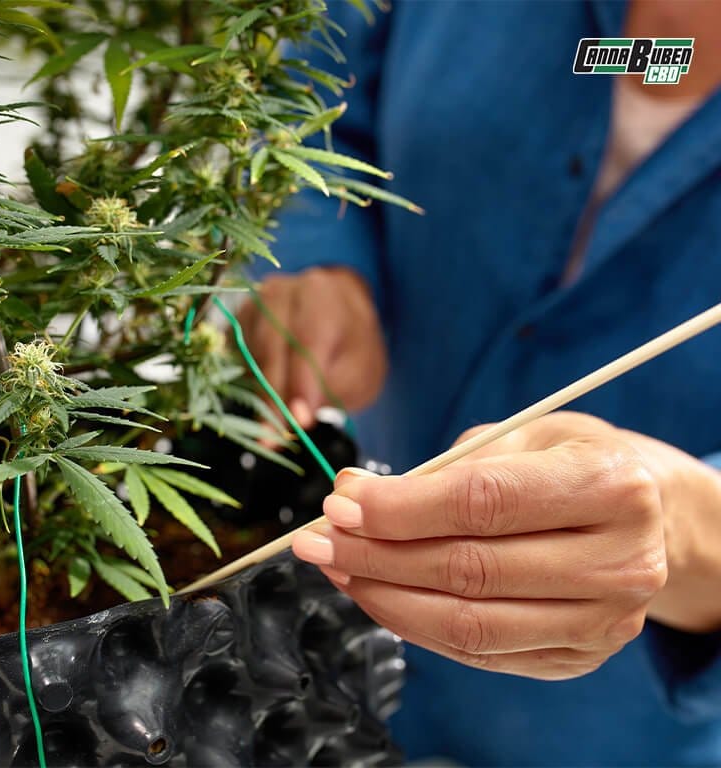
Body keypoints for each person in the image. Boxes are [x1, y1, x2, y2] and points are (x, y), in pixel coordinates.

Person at [238, 1, 721, 764]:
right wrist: (316, 248)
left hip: (611, 732)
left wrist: (689, 528)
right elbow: (305, 88)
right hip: (312, 673)